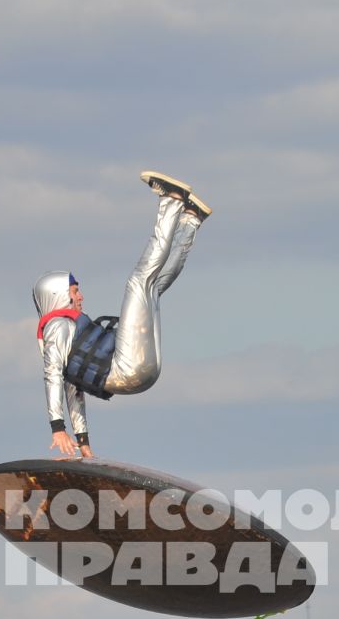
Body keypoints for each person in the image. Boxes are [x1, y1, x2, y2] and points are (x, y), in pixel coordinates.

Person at [35, 171, 210, 459]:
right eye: (75, 291)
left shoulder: (64, 330)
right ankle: (171, 202)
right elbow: (52, 376)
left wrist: (83, 440)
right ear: (57, 295)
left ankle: (190, 220)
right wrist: (57, 427)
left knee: (153, 287)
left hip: (137, 372)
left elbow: (73, 392)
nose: (80, 297)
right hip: (127, 369)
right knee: (139, 282)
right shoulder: (56, 325)